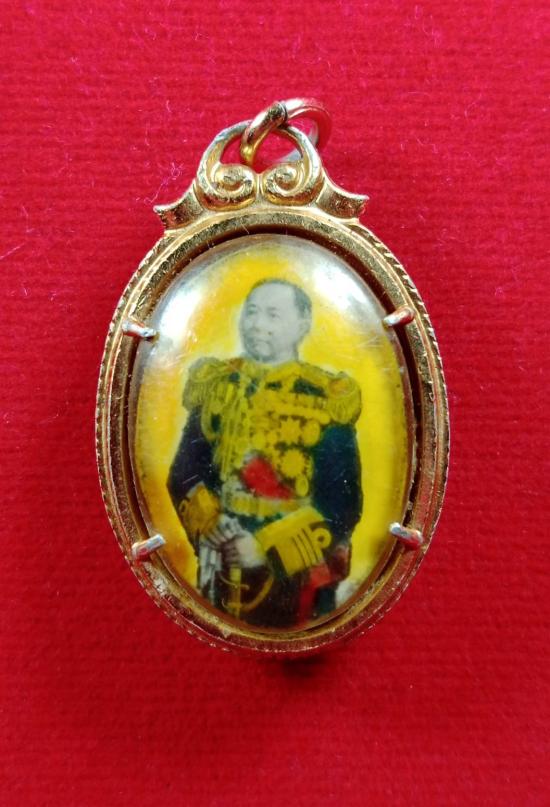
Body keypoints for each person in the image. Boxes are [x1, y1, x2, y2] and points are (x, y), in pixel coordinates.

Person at [167, 278, 362, 628]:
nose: (257, 324)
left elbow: (342, 504)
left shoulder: (327, 398)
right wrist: (212, 524)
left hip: (297, 579)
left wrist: (265, 549)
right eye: (252, 312)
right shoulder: (218, 385)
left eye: (273, 315)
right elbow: (184, 472)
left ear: (302, 324)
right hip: (223, 561)